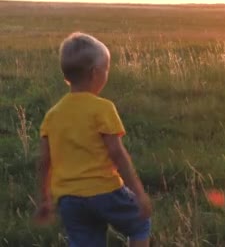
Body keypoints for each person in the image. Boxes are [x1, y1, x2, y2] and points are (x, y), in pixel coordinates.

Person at [33, 32, 152, 247]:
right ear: (95, 73)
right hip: (105, 191)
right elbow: (117, 154)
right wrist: (139, 192)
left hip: (69, 200)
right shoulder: (103, 109)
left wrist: (45, 198)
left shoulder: (52, 115)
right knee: (140, 224)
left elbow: (44, 161)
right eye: (106, 69)